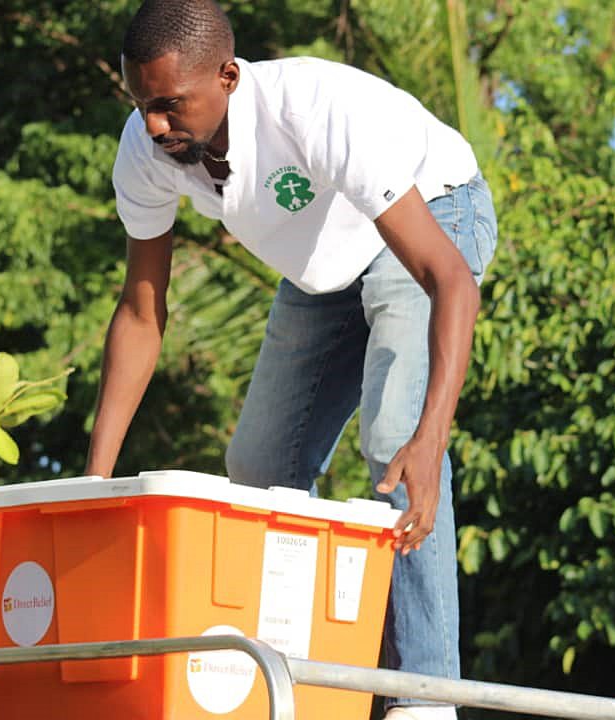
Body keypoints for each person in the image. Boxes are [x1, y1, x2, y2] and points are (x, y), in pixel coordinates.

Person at [84, 2, 497, 718]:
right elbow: (142, 313)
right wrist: (90, 486)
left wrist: (430, 440)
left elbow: (448, 277)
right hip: (322, 268)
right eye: (141, 105)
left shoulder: (314, 112)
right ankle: (294, 678)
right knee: (257, 466)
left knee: (393, 435)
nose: (154, 125)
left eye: (169, 104)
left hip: (435, 213)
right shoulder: (145, 149)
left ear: (229, 76)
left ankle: (426, 697)